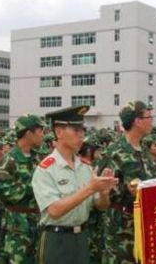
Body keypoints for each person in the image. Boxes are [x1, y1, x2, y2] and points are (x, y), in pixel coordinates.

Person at [33, 105, 118, 264]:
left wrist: (104, 193)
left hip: (81, 237)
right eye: (76, 131)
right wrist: (90, 188)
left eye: (83, 131)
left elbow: (100, 206)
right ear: (59, 132)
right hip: (57, 239)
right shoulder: (46, 169)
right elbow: (54, 210)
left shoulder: (85, 168)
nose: (81, 136)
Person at [96, 101, 156, 264]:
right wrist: (125, 190)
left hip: (144, 227)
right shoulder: (115, 152)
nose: (152, 120)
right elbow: (102, 188)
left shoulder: (143, 151)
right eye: (149, 117)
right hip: (122, 231)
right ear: (137, 121)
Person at [0, 114, 47, 264]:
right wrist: (35, 186)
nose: (43, 135)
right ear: (29, 133)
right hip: (18, 225)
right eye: (40, 131)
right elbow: (4, 193)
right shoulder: (8, 160)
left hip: (38, 221)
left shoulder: (38, 157)